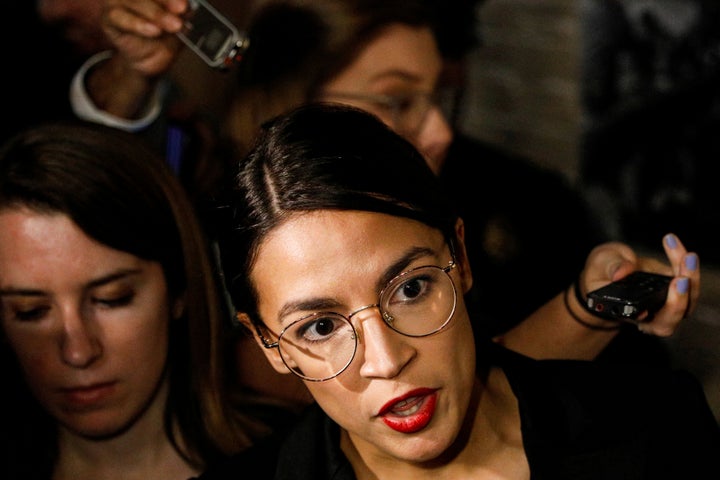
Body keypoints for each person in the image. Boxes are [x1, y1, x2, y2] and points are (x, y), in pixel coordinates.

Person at [204, 103, 719, 479]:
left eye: (410, 289)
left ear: (461, 256)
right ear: (268, 342)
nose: (386, 360)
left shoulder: (655, 428)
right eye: (320, 327)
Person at [0, 121, 278, 479]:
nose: (78, 351)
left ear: (178, 288)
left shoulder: (300, 458)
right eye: (31, 311)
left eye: (111, 299)